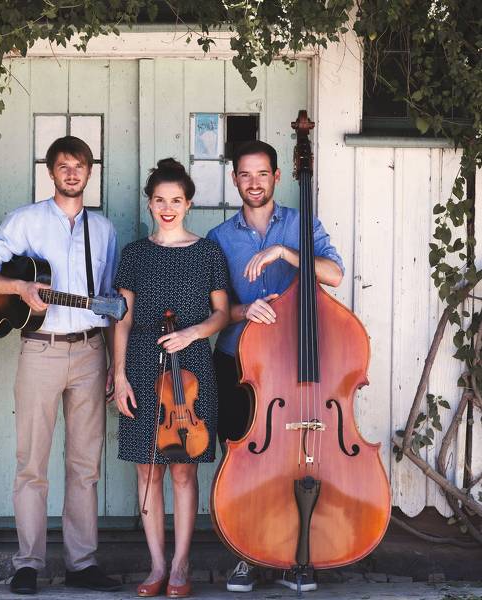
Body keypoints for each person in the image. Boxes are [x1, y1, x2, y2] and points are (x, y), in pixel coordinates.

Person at [0, 136, 121, 595]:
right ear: (50, 172)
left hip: (90, 352)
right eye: (63, 166)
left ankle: (82, 563)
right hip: (40, 349)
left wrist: (115, 365)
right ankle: (28, 564)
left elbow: (111, 305)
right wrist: (19, 288)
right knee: (31, 462)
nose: (72, 173)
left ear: (90, 172)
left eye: (80, 166)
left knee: (85, 464)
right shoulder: (26, 220)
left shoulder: (104, 230)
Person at [206, 140, 344, 593]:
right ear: (234, 180)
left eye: (262, 174)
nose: (254, 183)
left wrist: (286, 253)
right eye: (245, 175)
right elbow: (212, 311)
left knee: (293, 459)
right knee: (243, 461)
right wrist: (245, 311)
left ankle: (290, 555)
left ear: (277, 177)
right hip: (239, 362)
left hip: (296, 365)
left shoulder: (302, 225)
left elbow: (334, 274)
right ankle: (245, 554)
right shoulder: (219, 238)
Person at [113, 159, 229, 599]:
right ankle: (157, 564)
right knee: (148, 470)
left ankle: (181, 563)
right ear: (149, 203)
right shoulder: (134, 254)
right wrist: (119, 374)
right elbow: (122, 319)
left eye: (176, 200)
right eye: (159, 200)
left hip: (192, 364)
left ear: (188, 204)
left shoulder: (207, 252)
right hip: (142, 363)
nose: (167, 208)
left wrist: (192, 333)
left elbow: (222, 313)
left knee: (183, 469)